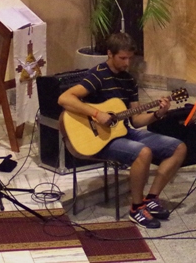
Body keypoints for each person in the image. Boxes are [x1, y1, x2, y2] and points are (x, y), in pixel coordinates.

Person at [58, 33, 187, 229]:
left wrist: (158, 114)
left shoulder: (129, 81)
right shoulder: (97, 75)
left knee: (178, 148)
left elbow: (136, 121)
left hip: (121, 132)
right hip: (99, 140)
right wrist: (96, 113)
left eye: (130, 58)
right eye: (122, 58)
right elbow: (64, 98)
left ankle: (151, 198)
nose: (127, 63)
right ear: (110, 54)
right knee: (143, 152)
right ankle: (136, 209)